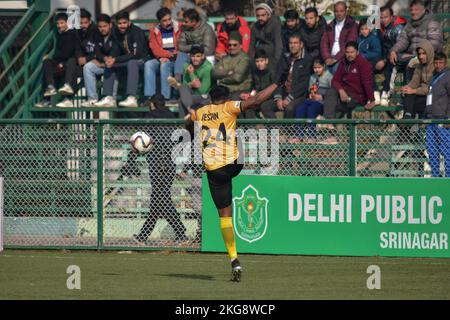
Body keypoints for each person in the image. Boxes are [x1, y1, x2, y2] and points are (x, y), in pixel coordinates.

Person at [186, 83, 279, 281]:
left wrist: (192, 131)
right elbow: (255, 100)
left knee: (224, 217)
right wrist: (276, 84)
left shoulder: (201, 112)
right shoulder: (229, 107)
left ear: (211, 98)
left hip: (214, 171)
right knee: (237, 136)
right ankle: (235, 262)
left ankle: (234, 259)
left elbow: (188, 122)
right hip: (235, 164)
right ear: (226, 98)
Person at [130, 94, 188, 244]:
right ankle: (144, 236)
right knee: (158, 200)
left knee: (161, 199)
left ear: (152, 104)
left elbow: (140, 140)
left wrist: (131, 162)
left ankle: (181, 232)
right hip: (169, 164)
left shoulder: (150, 117)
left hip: (157, 165)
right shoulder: (172, 116)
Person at [321, 41, 375, 144]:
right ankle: (329, 124)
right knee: (330, 92)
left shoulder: (363, 64)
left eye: (352, 52)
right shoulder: (343, 63)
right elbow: (335, 81)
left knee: (335, 105)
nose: (349, 55)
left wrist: (372, 100)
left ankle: (332, 133)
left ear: (357, 52)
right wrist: (341, 91)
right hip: (344, 93)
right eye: (347, 52)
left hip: (357, 96)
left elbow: (367, 83)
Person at [95, 11, 149, 108]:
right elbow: (115, 49)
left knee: (132, 63)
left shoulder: (137, 32)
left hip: (141, 60)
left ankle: (132, 97)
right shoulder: (116, 32)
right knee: (109, 64)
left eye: (124, 23)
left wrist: (115, 59)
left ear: (129, 22)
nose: (122, 26)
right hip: (125, 61)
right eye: (119, 23)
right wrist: (110, 59)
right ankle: (109, 98)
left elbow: (136, 54)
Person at [389, 0, 443, 84]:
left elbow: (434, 43)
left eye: (416, 10)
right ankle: (388, 91)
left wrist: (418, 55)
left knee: (412, 63)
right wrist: (393, 50)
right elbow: (403, 40)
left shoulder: (432, 22)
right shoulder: (409, 24)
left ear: (424, 10)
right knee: (392, 58)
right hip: (412, 55)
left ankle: (410, 91)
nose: (413, 12)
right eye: (411, 10)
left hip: (428, 55)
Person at [262, 34, 313, 119]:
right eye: (290, 43)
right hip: (284, 93)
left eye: (295, 43)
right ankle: (277, 129)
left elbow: (304, 84)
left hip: (298, 95)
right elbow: (277, 79)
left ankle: (287, 131)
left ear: (301, 45)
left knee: (289, 108)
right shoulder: (285, 58)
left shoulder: (307, 59)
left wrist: (289, 98)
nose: (292, 46)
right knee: (265, 106)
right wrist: (278, 97)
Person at [35, 13, 80, 108]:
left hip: (69, 64)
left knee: (70, 61)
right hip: (60, 63)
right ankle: (49, 90)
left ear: (67, 23)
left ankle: (67, 93)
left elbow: (69, 53)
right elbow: (57, 54)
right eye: (57, 24)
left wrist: (59, 61)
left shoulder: (73, 34)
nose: (59, 26)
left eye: (62, 23)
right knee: (47, 62)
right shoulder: (59, 35)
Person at [290, 59, 332, 144]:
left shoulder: (329, 77)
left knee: (311, 109)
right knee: (300, 108)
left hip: (322, 102)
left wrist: (322, 97)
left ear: (323, 66)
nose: (317, 70)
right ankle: (299, 134)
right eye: (315, 68)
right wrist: (312, 94)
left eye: (319, 67)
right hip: (312, 99)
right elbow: (311, 89)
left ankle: (311, 135)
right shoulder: (313, 77)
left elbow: (332, 93)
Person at [81, 14, 120, 107]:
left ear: (110, 25)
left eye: (105, 26)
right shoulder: (97, 34)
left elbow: (117, 50)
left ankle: (110, 98)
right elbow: (96, 51)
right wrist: (102, 59)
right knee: (88, 66)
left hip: (117, 63)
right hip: (103, 63)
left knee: (109, 64)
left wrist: (107, 60)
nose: (102, 29)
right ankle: (92, 98)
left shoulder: (116, 34)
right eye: (100, 26)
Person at [144, 7, 182, 102]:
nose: (168, 22)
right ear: (159, 21)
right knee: (148, 64)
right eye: (164, 21)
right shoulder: (154, 31)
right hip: (163, 57)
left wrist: (170, 55)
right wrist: (165, 55)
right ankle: (150, 96)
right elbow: (155, 48)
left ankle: (165, 97)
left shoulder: (179, 27)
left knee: (164, 64)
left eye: (169, 19)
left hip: (176, 59)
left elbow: (182, 44)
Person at [167, 45, 213, 118]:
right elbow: (186, 85)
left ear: (203, 56)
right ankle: (190, 110)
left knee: (181, 99)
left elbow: (203, 91)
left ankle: (184, 123)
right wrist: (191, 84)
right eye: (193, 56)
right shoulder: (186, 65)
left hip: (206, 97)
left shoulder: (208, 68)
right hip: (191, 95)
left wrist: (191, 74)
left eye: (198, 56)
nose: (195, 59)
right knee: (183, 88)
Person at [212, 32, 252, 112]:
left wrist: (221, 79)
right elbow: (214, 73)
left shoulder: (245, 59)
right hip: (225, 92)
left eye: (235, 45)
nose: (231, 47)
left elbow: (237, 78)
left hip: (240, 91)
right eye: (229, 45)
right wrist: (228, 72)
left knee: (233, 102)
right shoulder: (225, 58)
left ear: (241, 45)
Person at [376, 6, 407, 106]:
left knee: (391, 62)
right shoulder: (379, 28)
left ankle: (387, 92)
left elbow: (401, 46)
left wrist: (384, 60)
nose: (383, 20)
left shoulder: (398, 28)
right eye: (381, 17)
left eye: (386, 17)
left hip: (397, 56)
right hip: (384, 55)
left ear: (391, 17)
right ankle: (374, 93)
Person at [425, 52, 450, 177]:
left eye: (441, 62)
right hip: (430, 120)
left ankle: (448, 178)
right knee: (431, 150)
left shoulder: (448, 76)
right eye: (436, 62)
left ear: (445, 63)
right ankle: (435, 176)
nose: (438, 65)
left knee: (446, 150)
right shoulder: (434, 76)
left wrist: (448, 118)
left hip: (442, 120)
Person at [176, 8, 216, 80]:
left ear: (194, 22)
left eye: (186, 21)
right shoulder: (185, 29)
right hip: (191, 55)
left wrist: (195, 53)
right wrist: (193, 47)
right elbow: (180, 46)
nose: (183, 23)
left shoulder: (207, 29)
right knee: (181, 55)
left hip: (204, 55)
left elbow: (209, 50)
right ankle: (177, 80)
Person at [320, 1, 358, 74]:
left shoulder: (351, 25)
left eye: (341, 11)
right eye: (336, 11)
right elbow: (324, 43)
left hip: (343, 58)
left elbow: (349, 44)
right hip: (329, 57)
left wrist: (335, 58)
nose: (339, 13)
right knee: (323, 73)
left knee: (335, 71)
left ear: (346, 12)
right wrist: (327, 57)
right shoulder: (330, 26)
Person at [401, 40, 435, 120]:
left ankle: (408, 119)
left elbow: (432, 89)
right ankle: (408, 117)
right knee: (408, 93)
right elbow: (414, 83)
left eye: (424, 53)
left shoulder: (436, 65)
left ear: (429, 52)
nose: (421, 57)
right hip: (421, 96)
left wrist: (414, 91)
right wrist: (406, 88)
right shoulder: (419, 66)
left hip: (433, 98)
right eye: (419, 54)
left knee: (411, 101)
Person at [240, 49, 276, 118]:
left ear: (266, 61)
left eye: (262, 61)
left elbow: (274, 90)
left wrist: (256, 96)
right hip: (258, 98)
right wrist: (249, 95)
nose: (259, 63)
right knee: (243, 103)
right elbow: (254, 87)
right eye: (257, 61)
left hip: (270, 98)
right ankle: (249, 127)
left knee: (262, 106)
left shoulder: (272, 72)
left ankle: (275, 127)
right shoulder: (255, 72)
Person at [248, 3, 283, 68]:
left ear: (269, 15)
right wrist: (251, 61)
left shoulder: (275, 25)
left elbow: (278, 45)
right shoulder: (255, 27)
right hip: (260, 57)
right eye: (258, 16)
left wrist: (275, 62)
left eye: (263, 15)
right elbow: (251, 46)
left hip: (272, 57)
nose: (260, 18)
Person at [357, 18, 382, 101]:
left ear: (370, 29)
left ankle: (375, 91)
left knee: (366, 70)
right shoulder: (359, 39)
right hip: (362, 62)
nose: (364, 31)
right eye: (362, 29)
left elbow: (377, 53)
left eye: (366, 29)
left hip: (373, 61)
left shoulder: (373, 39)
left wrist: (364, 56)